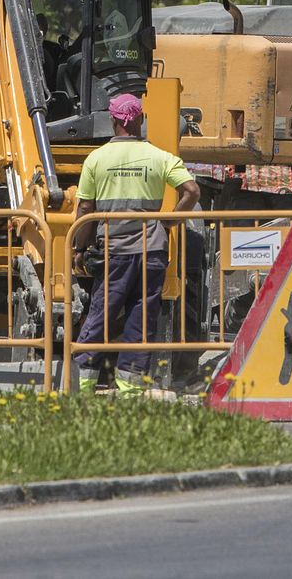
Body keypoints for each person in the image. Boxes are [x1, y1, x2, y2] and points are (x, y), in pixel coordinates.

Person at [72, 92, 199, 394]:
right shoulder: (160, 157)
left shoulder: (97, 159)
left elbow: (86, 209)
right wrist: (170, 221)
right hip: (152, 250)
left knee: (100, 317)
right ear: (140, 119)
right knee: (141, 322)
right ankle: (130, 391)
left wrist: (78, 249)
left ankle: (82, 386)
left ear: (112, 120)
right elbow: (192, 191)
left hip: (114, 251)